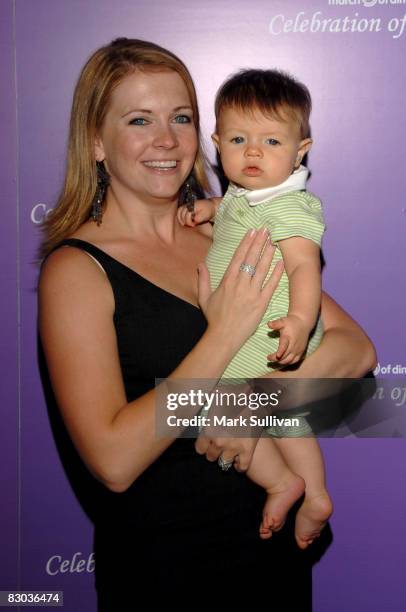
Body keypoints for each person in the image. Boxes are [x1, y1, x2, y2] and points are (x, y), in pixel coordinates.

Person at [38, 38, 376, 608]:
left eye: (182, 118)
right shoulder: (76, 270)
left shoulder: (230, 231)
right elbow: (115, 461)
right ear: (96, 141)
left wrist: (250, 402)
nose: (166, 139)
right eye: (139, 120)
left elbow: (354, 349)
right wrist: (221, 336)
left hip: (275, 552)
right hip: (167, 571)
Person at [178, 68, 333, 548]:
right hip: (242, 334)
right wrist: (209, 208)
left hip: (270, 331)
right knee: (266, 417)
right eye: (240, 138)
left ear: (299, 151)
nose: (252, 152)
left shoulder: (290, 205)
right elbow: (231, 213)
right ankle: (299, 489)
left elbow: (305, 268)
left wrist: (302, 322)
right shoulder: (243, 198)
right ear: (217, 142)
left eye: (271, 141)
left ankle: (299, 489)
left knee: (251, 414)